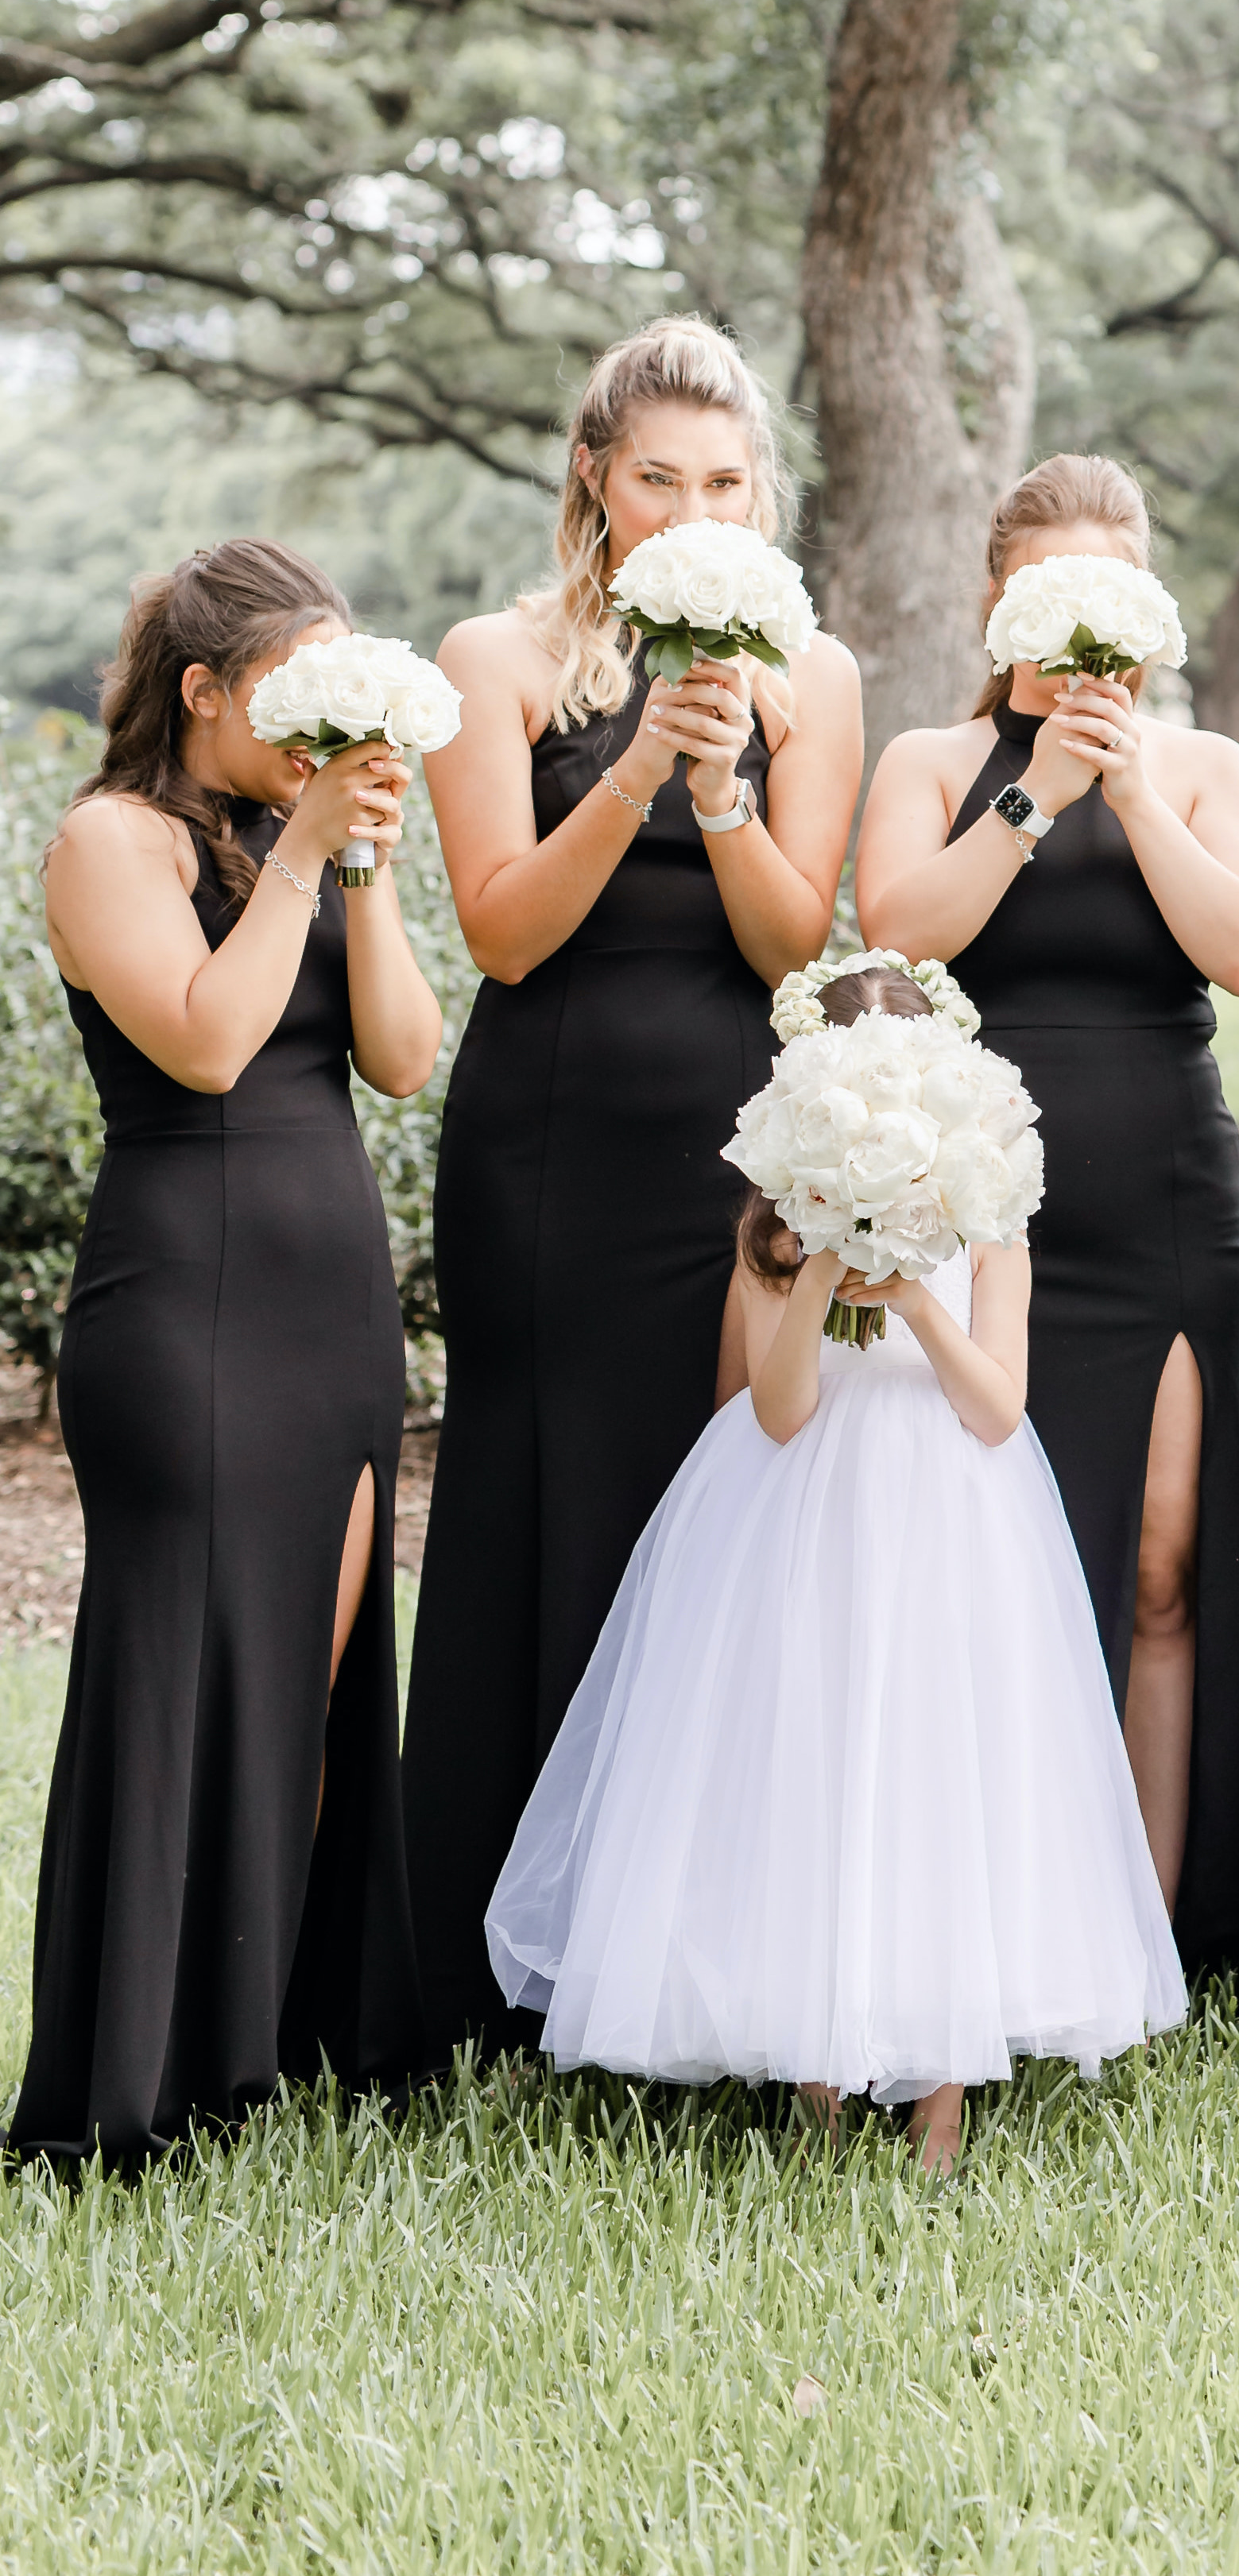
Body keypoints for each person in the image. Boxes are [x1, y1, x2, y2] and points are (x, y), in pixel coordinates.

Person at [483, 967, 1183, 2171]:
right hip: (798, 1514)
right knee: (807, 1759)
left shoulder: (993, 1215)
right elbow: (778, 1411)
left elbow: (1000, 1409)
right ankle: (814, 2065)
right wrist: (816, 1260)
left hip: (950, 1511)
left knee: (938, 1767)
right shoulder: (771, 1225)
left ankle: (944, 2089)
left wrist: (913, 1293)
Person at [403, 316, 865, 2067]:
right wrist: (633, 767)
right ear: (595, 474)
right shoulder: (497, 656)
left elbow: (789, 943)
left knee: (719, 1516)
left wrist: (728, 786)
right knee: (547, 1508)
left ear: (761, 490)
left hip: (726, 1143)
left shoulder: (804, 671)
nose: (688, 506)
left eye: (723, 479)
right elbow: (504, 932)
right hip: (547, 1140)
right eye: (655, 475)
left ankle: (691, 1981)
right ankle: (501, 1984)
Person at [12, 543, 442, 2164]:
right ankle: (142, 2079)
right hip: (183, 1292)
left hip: (329, 1289)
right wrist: (298, 859)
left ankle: (261, 2041)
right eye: (289, 689)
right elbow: (202, 1039)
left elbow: (400, 1058)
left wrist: (362, 869)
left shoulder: (307, 839)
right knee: (190, 1685)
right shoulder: (108, 840)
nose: (318, 728)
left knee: (307, 1687)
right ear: (202, 691)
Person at [854, 452, 1239, 1975]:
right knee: (998, 1571)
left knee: (1163, 1565)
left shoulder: (1210, 764)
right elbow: (904, 931)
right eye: (1052, 595)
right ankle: (1004, 1922)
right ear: (1001, 604)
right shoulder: (928, 756)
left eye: (1112, 594)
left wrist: (1137, 787)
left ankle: (1147, 1934)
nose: (1085, 633)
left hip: (1168, 1187)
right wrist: (1038, 786)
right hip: (989, 1205)